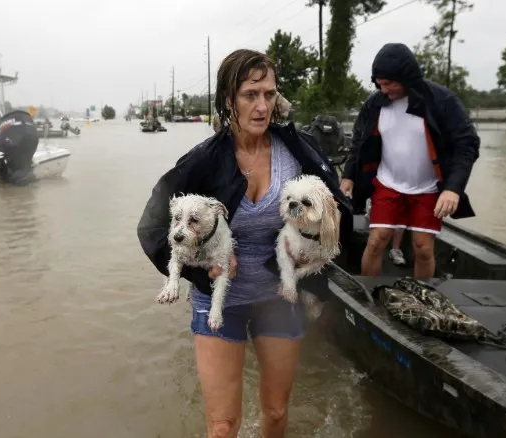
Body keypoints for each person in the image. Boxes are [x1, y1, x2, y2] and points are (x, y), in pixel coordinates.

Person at [137, 49, 351, 438]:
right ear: (228, 99)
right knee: (222, 426)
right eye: (251, 94)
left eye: (269, 95)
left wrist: (317, 240)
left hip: (277, 296)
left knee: (275, 411)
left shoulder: (297, 151)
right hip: (220, 299)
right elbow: (152, 228)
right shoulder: (202, 160)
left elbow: (337, 213)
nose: (261, 105)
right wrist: (202, 268)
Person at [340, 42, 480, 280]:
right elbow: (359, 142)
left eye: (389, 84)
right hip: (387, 182)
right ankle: (367, 293)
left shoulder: (441, 101)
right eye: (379, 84)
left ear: (406, 77)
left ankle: (422, 297)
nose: (383, 90)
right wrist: (349, 176)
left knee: (422, 248)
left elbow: (467, 143)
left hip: (427, 188)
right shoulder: (374, 104)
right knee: (377, 240)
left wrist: (453, 189)